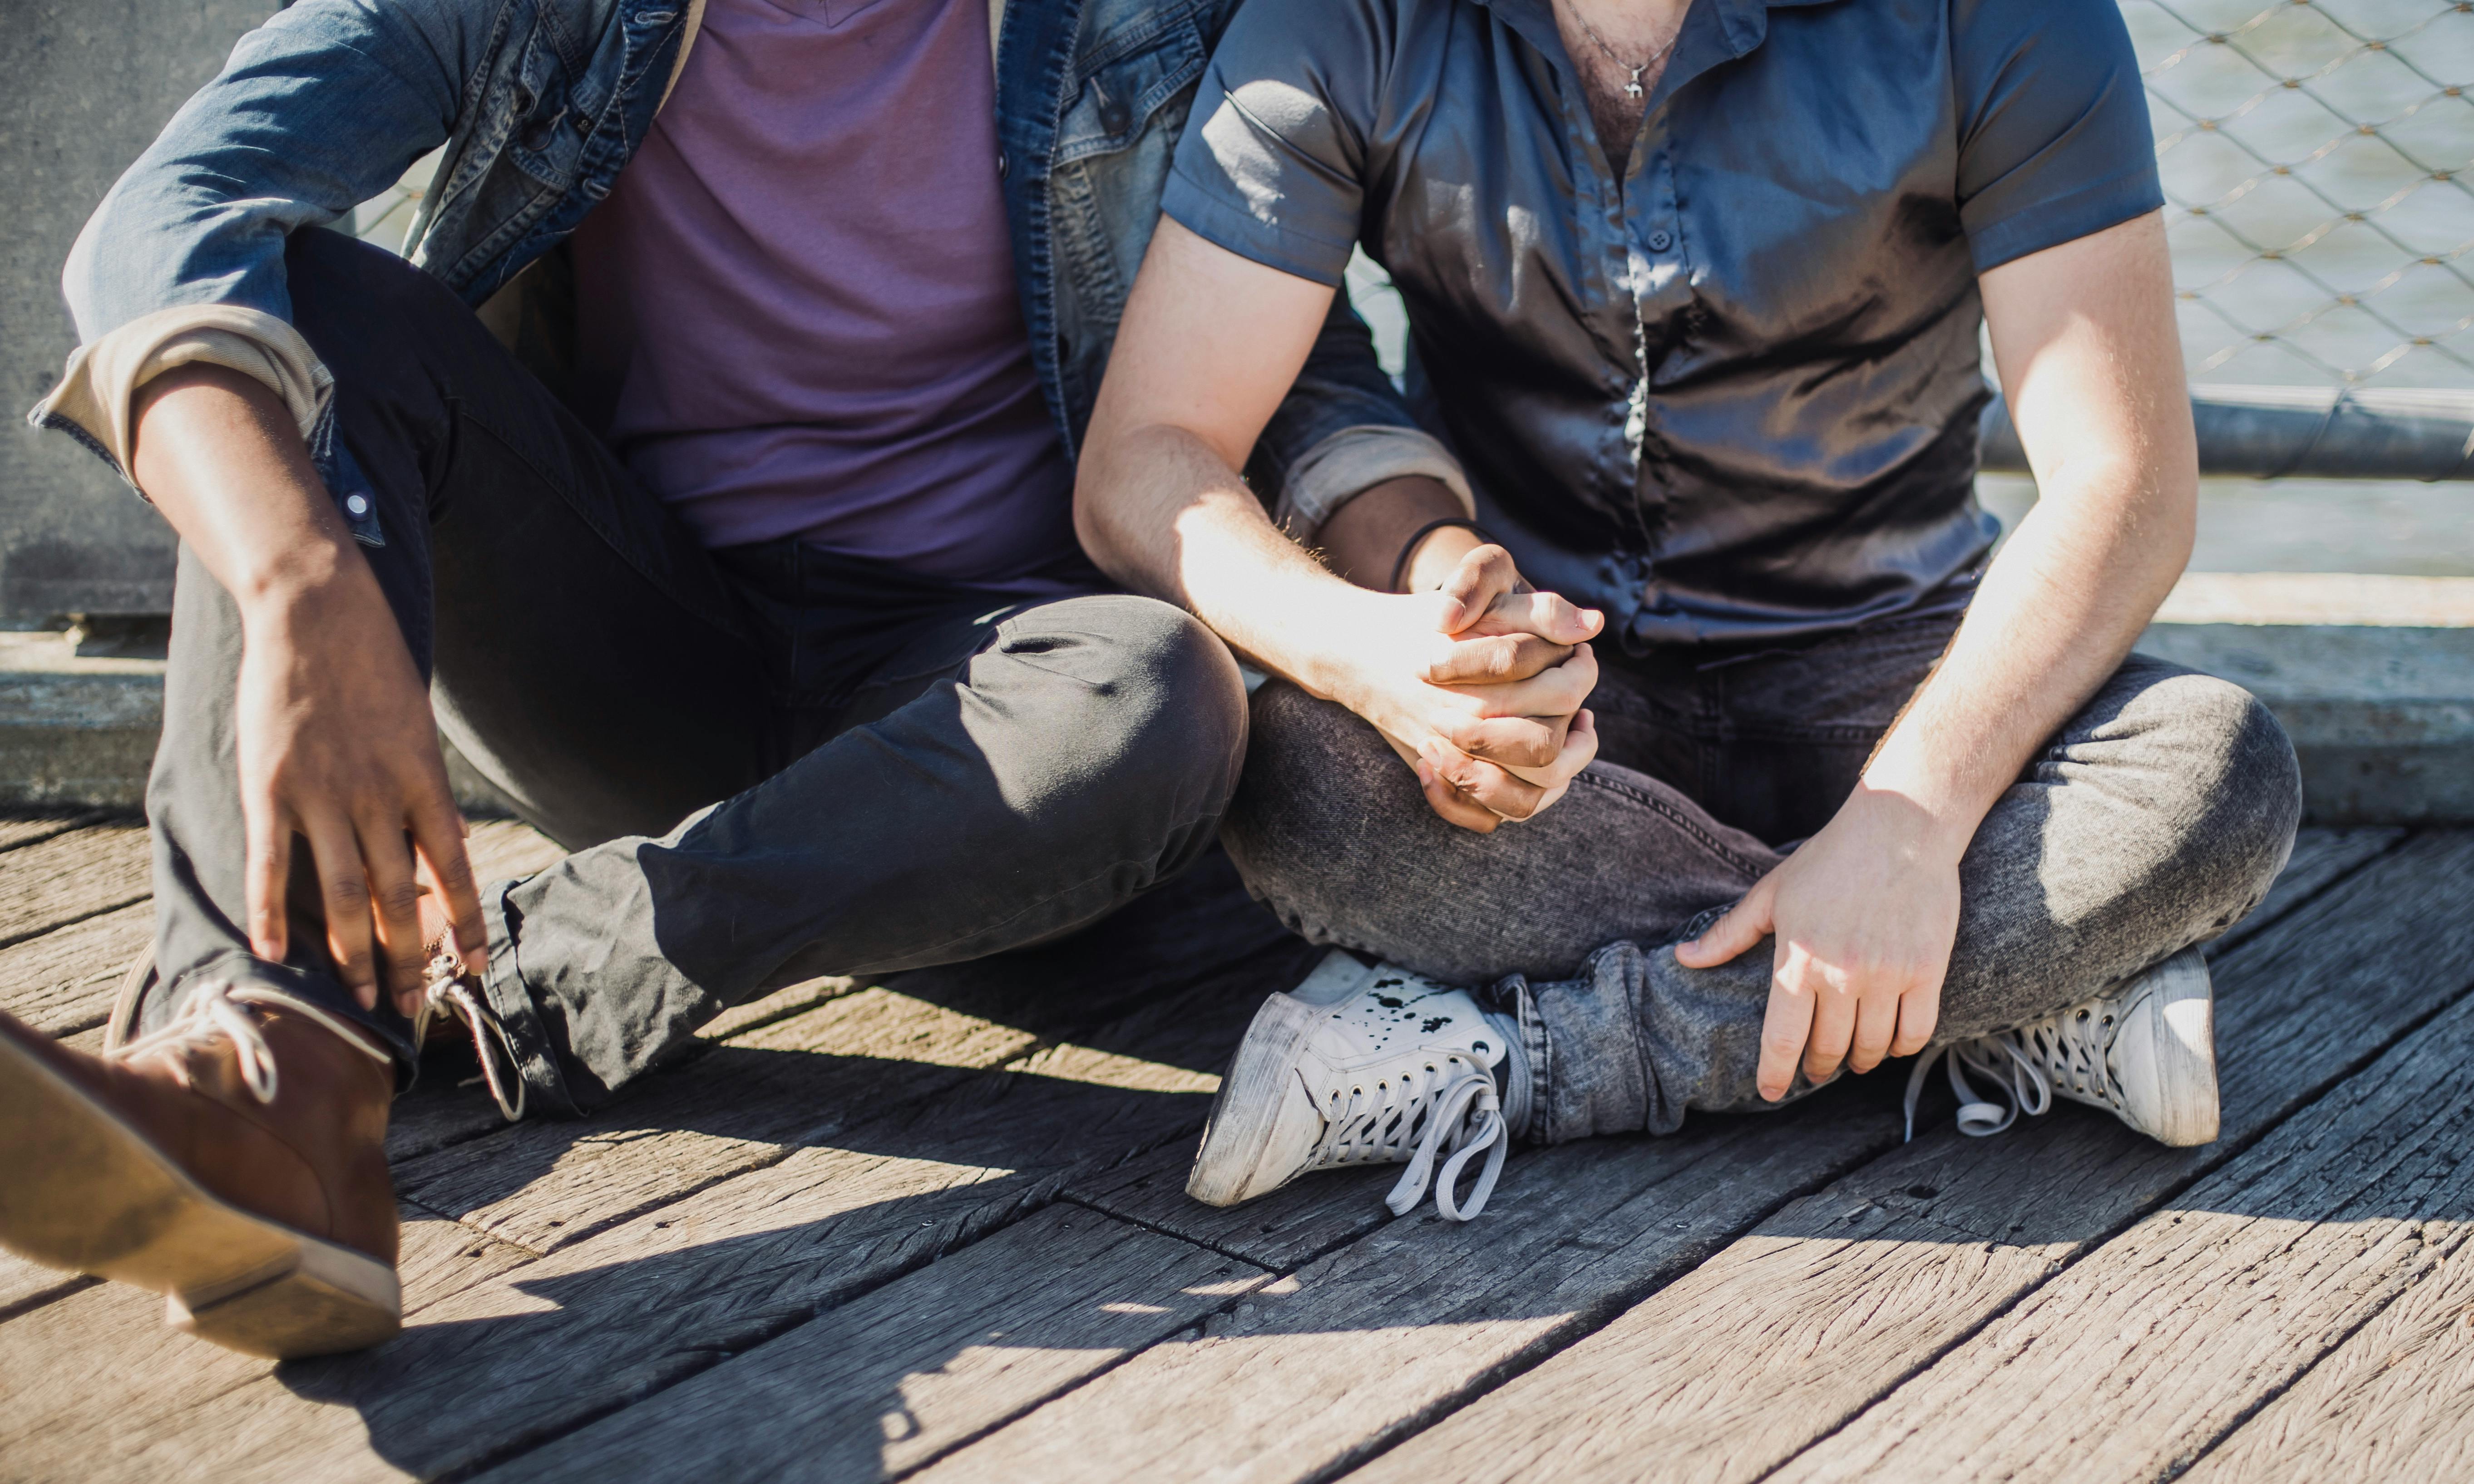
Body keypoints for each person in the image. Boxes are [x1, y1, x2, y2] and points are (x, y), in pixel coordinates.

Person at [0, 0, 1447, 1359]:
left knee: (1159, 691)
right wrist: (299, 577)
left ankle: (498, 984)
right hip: (638, 642)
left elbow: (1286, 357)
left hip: (988, 730)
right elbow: (171, 215)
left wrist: (1421, 568)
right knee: (307, 311)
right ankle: (272, 1066)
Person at [1072, 0, 2305, 1221]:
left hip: (1898, 673)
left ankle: (1516, 1059)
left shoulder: (2000, 17)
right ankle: (1990, 996)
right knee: (1294, 767)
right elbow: (1145, 458)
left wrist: (1909, 821)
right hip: (1549, 705)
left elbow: (2124, 486)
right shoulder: (1343, 18)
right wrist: (1374, 657)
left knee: (2213, 768)